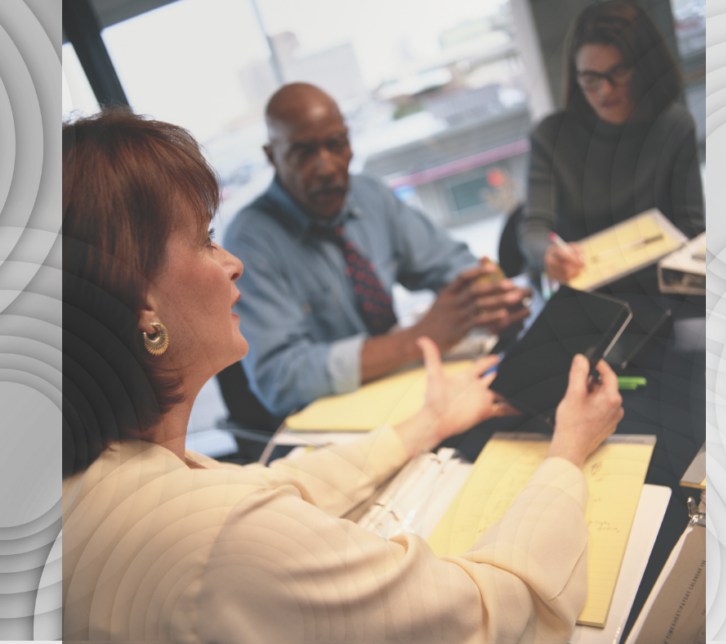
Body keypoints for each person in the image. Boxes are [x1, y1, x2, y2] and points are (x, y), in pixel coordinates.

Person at [62, 110, 624, 643]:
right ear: (144, 307)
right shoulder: (219, 537)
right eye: (205, 239)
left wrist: (426, 424)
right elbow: (491, 614)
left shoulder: (98, 481)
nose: (232, 262)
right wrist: (568, 451)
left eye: (338, 142)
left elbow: (267, 488)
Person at [224, 83, 532, 417]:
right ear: (272, 156)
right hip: (331, 421)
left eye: (336, 144)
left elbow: (449, 263)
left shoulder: (370, 194)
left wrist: (488, 299)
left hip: (400, 392)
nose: (326, 167)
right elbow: (280, 378)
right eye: (303, 153)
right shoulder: (250, 241)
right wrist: (415, 340)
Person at [518, 0, 705, 285]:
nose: (604, 90)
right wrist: (547, 254)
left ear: (645, 66)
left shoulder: (674, 126)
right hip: (589, 289)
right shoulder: (551, 135)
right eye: (590, 79)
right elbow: (534, 228)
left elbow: (693, 227)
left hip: (664, 283)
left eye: (618, 73)